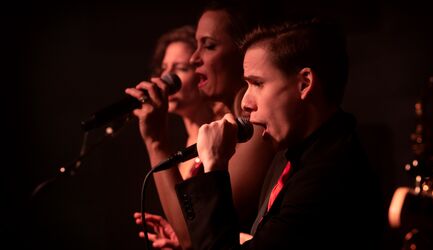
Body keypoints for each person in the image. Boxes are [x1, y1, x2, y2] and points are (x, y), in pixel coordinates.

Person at [174, 18, 385, 249]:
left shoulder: (330, 174)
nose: (246, 102)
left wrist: (215, 167)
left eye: (257, 83)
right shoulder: (291, 153)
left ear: (304, 83)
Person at [127, 4, 277, 246]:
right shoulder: (232, 129)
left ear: (245, 52)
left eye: (208, 46)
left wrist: (156, 141)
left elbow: (193, 236)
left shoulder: (256, 131)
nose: (195, 58)